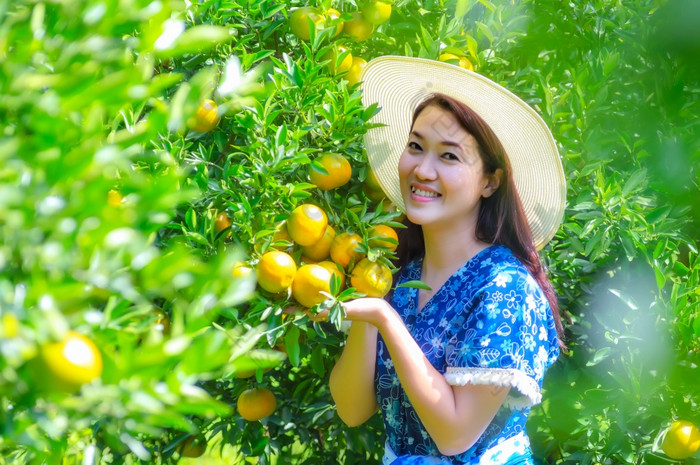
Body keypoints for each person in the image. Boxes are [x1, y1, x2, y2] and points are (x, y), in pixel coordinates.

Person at [329, 56, 567, 464]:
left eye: (449, 157)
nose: (422, 169)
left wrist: (384, 319)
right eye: (416, 147)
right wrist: (370, 306)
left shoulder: (506, 289)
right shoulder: (401, 277)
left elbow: (455, 434)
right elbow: (352, 410)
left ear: (490, 181)